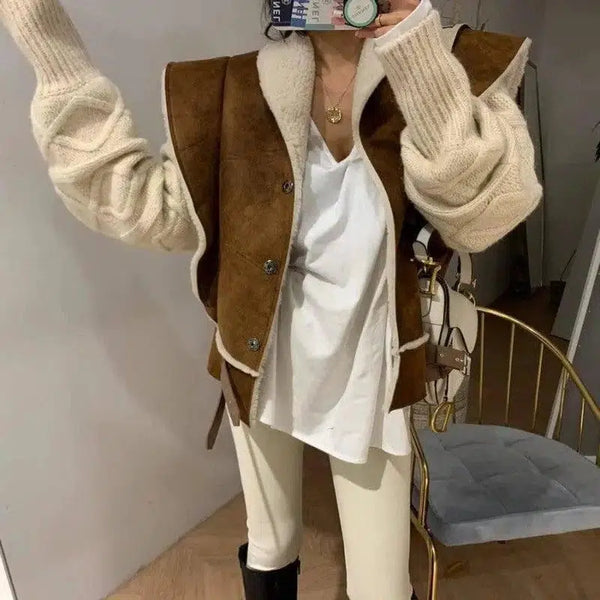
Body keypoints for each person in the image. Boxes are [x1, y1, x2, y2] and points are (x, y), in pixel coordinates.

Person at [0, 0, 542, 598]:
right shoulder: (231, 88)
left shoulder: (461, 62)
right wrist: (47, 38)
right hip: (260, 357)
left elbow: (481, 216)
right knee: (270, 544)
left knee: (380, 586)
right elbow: (139, 201)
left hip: (372, 371)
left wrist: (418, 54)